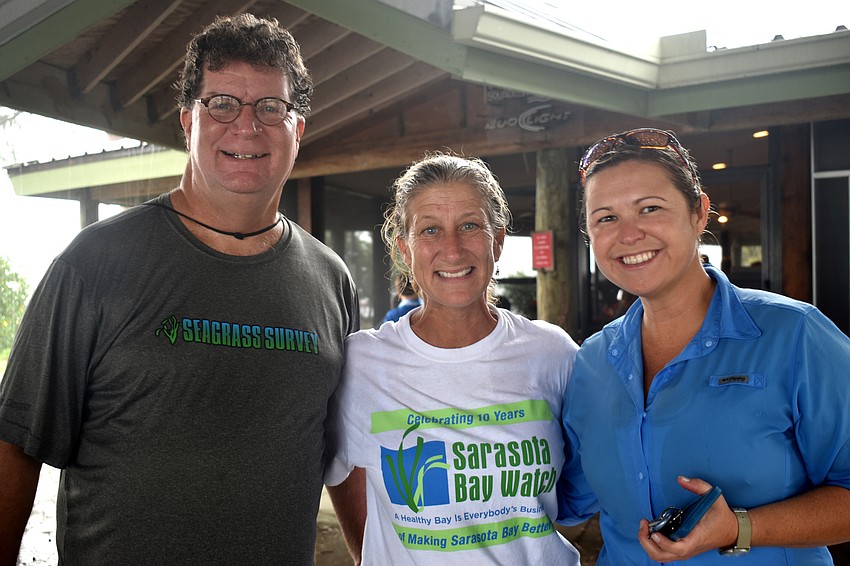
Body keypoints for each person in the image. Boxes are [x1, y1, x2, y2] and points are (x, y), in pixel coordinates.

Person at [0, 14, 359, 565]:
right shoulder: (94, 264)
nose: (247, 126)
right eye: (222, 104)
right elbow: (16, 444)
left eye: (271, 107)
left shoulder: (330, 278)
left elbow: (342, 450)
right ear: (188, 122)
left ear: (298, 130)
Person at [558, 127, 850, 564]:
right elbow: (568, 502)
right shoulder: (591, 361)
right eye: (606, 218)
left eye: (650, 208)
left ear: (699, 213)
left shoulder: (797, 336)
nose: (629, 234)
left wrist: (740, 527)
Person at [325, 152, 588, 564]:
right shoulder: (361, 363)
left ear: (497, 241)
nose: (451, 249)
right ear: (405, 250)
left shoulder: (552, 352)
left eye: (470, 225)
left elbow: (592, 475)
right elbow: (342, 473)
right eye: (430, 230)